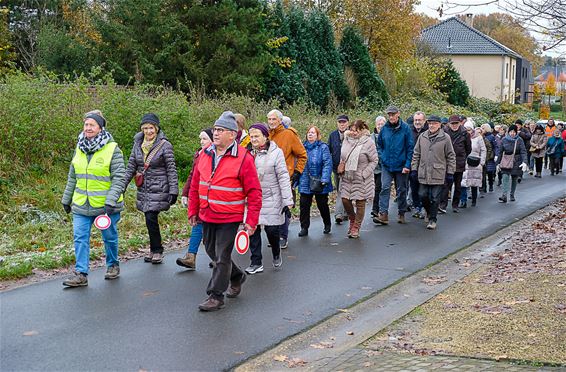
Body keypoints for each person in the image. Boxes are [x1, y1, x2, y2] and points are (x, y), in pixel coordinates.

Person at [188, 111, 262, 311]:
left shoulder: (244, 158)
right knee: (212, 251)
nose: (216, 133)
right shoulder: (204, 154)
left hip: (230, 216)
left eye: (220, 130)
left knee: (221, 256)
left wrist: (251, 222)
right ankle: (237, 276)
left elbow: (254, 192)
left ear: (232, 134)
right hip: (207, 213)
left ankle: (215, 295)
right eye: (215, 130)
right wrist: (192, 210)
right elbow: (196, 184)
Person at [61, 110, 126, 287]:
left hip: (105, 206)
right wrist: (66, 199)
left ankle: (113, 265)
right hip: (81, 204)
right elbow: (73, 176)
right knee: (79, 237)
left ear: (100, 128)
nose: (88, 128)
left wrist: (111, 200)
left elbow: (119, 177)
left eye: (92, 125)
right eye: (86, 124)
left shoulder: (113, 149)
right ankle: (81, 273)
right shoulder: (79, 148)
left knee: (109, 237)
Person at [124, 113, 178, 264]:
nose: (148, 131)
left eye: (151, 128)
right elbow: (130, 167)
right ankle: (154, 248)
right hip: (144, 188)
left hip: (159, 187)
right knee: (149, 219)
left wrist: (173, 190)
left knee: (150, 217)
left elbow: (171, 169)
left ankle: (157, 250)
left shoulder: (165, 145)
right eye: (145, 128)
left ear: (156, 128)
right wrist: (122, 187)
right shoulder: (137, 145)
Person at [245, 123, 293, 274]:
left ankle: (276, 252)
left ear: (265, 136)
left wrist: (287, 200)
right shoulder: (246, 154)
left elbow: (283, 176)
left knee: (272, 231)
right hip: (252, 199)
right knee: (252, 230)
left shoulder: (276, 153)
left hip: (271, 197)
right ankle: (256, 262)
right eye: (251, 136)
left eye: (256, 136)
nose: (253, 139)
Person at [268, 109, 307, 249]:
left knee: (283, 206)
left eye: (274, 119)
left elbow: (302, 154)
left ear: (280, 120)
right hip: (268, 177)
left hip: (285, 176)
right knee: (272, 206)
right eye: (269, 119)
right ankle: (274, 235)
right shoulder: (267, 135)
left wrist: (297, 172)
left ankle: (283, 236)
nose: (271, 122)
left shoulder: (289, 134)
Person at [177, 128, 214, 270]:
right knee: (197, 224)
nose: (201, 141)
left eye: (204, 139)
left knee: (213, 228)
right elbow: (192, 175)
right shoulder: (199, 154)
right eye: (200, 139)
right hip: (198, 195)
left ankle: (219, 258)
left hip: (212, 196)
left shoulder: (215, 154)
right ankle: (191, 256)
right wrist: (186, 193)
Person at [410, 115, 456, 230]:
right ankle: (429, 211)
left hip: (438, 172)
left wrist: (450, 172)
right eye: (430, 123)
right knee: (422, 195)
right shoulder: (422, 136)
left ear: (439, 125)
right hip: (423, 171)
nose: (432, 125)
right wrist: (414, 169)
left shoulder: (445, 138)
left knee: (435, 197)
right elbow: (416, 154)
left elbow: (451, 155)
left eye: (434, 123)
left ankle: (432, 219)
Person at [374, 106, 413, 225]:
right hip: (387, 165)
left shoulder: (405, 128)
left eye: (393, 114)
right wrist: (382, 157)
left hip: (401, 165)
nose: (391, 117)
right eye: (389, 115)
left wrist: (407, 165)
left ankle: (401, 212)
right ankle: (383, 214)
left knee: (401, 190)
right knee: (384, 187)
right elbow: (379, 145)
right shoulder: (384, 129)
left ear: (398, 114)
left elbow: (410, 148)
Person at [340, 120, 378, 238]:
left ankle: (356, 226)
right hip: (347, 176)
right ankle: (352, 218)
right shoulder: (346, 140)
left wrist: (364, 173)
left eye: (356, 130)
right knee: (345, 200)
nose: (353, 132)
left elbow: (374, 160)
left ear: (362, 130)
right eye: (351, 130)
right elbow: (343, 155)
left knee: (360, 202)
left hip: (361, 178)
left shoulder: (368, 142)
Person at [298, 125, 333, 237]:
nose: (310, 134)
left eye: (313, 132)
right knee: (304, 205)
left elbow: (327, 163)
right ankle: (304, 227)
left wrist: (325, 178)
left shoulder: (323, 147)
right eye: (309, 132)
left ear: (318, 135)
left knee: (322, 204)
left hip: (319, 180)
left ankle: (327, 224)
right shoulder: (301, 147)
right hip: (305, 181)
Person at [439, 114, 471, 213]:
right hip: (447, 162)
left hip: (459, 162)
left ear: (460, 123)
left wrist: (462, 156)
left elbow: (468, 148)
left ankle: (455, 205)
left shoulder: (465, 133)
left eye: (456, 123)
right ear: (449, 124)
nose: (454, 125)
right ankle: (442, 205)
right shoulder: (444, 132)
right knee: (445, 185)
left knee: (458, 185)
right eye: (452, 123)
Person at [496, 124, 528, 203]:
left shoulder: (519, 140)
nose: (512, 133)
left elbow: (523, 151)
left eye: (514, 132)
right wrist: (498, 163)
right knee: (505, 177)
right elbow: (500, 152)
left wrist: (525, 162)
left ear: (516, 132)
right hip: (506, 160)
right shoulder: (504, 139)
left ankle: (512, 194)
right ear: (508, 132)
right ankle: (504, 195)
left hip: (516, 161)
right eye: (511, 132)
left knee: (514, 178)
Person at [328, 114, 349, 224]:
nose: (342, 124)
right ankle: (346, 212)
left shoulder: (351, 134)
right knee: (340, 190)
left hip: (349, 168)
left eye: (344, 122)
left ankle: (338, 214)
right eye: (340, 122)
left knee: (342, 190)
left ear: (347, 123)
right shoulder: (332, 135)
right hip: (336, 168)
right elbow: (329, 151)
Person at [409, 111, 428, 218]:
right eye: (415, 120)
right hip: (413, 164)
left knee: (424, 190)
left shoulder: (428, 131)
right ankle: (417, 207)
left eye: (419, 120)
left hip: (425, 165)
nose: (417, 122)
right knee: (414, 188)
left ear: (424, 121)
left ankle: (425, 208)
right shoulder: (409, 131)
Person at [461, 125, 486, 207]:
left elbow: (483, 150)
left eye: (469, 129)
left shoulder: (478, 138)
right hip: (465, 161)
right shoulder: (463, 136)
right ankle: (463, 201)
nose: (468, 131)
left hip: (475, 162)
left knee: (474, 182)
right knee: (463, 182)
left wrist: (482, 162)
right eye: (466, 129)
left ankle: (474, 200)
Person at [370, 116, 386, 218]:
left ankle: (376, 209)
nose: (380, 126)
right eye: (378, 124)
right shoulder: (370, 137)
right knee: (374, 188)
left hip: (383, 166)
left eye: (382, 124)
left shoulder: (388, 136)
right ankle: (377, 208)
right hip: (372, 167)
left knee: (379, 187)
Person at [480, 123, 497, 192]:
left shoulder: (491, 136)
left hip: (489, 157)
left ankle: (490, 185)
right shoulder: (480, 136)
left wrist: (495, 155)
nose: (482, 130)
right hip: (483, 156)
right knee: (483, 173)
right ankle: (483, 187)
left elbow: (494, 146)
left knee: (489, 172)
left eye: (483, 128)